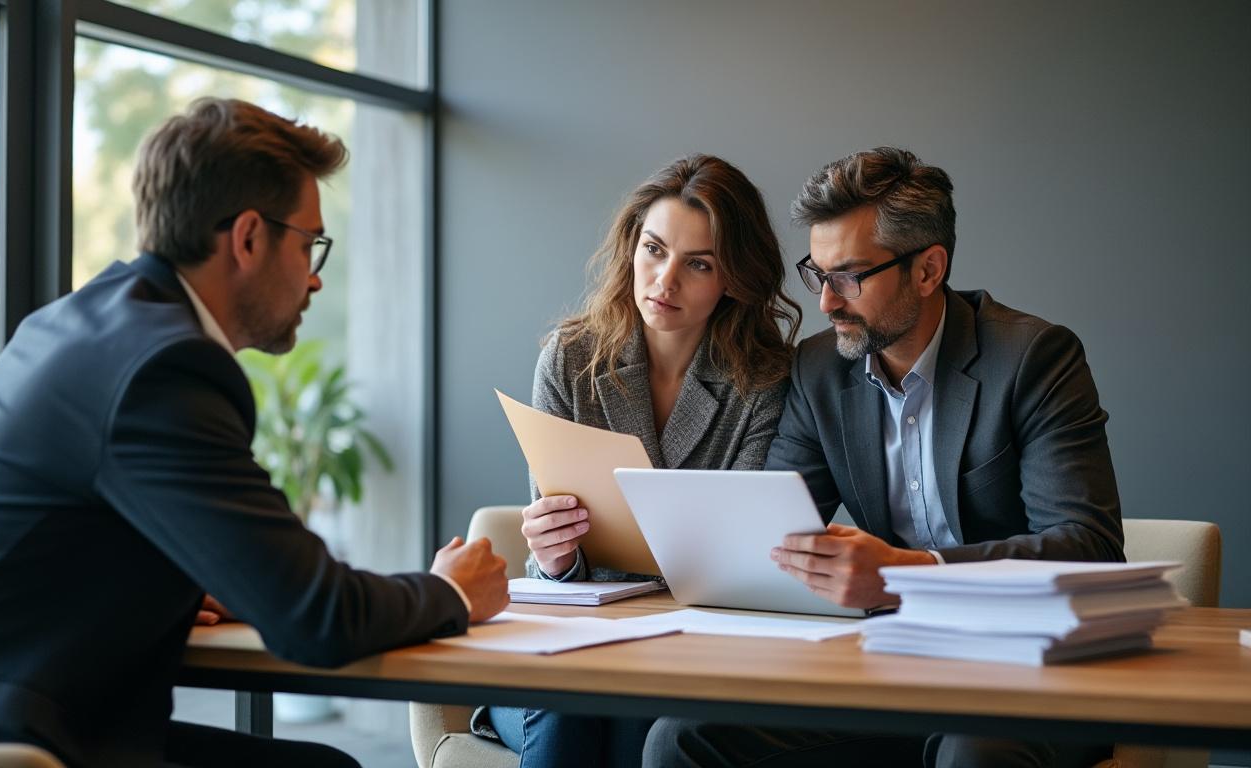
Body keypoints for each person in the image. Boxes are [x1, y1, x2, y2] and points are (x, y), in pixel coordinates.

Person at [0, 98, 509, 768]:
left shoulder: (82, 325)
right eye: (309, 243)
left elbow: (61, 541)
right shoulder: (165, 369)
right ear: (249, 237)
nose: (314, 277)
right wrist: (452, 590)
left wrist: (172, 584)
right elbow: (317, 617)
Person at [644, 147, 1123, 768]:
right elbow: (769, 537)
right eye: (817, 275)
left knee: (973, 756)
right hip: (888, 665)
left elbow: (1089, 548)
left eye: (849, 276)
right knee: (682, 734)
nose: (826, 303)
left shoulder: (1033, 358)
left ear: (928, 270)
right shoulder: (818, 371)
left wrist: (905, 573)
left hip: (1028, 666)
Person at [477, 154, 803, 768]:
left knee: (639, 727)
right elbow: (554, 559)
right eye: (654, 250)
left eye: (698, 264)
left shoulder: (764, 381)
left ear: (733, 279)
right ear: (632, 247)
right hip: (571, 642)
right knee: (569, 701)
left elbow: (742, 561)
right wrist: (554, 554)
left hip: (688, 648)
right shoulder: (570, 359)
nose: (664, 280)